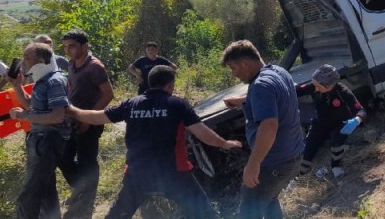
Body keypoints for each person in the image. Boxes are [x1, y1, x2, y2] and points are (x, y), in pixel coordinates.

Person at [66, 65, 242, 218]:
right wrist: (225, 143)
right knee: (205, 215)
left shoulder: (131, 104)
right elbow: (203, 133)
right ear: (170, 84)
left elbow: (97, 117)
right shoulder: (177, 104)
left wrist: (72, 110)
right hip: (175, 174)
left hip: (137, 174)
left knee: (117, 216)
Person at [221, 40, 304, 219]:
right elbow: (276, 97)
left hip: (274, 162)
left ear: (245, 64)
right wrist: (245, 100)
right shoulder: (279, 72)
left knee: (249, 211)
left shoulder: (260, 86)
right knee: (269, 199)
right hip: (292, 155)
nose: (234, 74)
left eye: (233, 68)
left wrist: (253, 164)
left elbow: (269, 126)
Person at [8, 43, 70, 219]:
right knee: (46, 192)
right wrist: (17, 86)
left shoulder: (54, 81)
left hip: (49, 141)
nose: (24, 62)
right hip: (40, 141)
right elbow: (31, 105)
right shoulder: (42, 81)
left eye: (27, 57)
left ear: (41, 60)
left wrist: (24, 116)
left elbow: (58, 116)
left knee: (29, 196)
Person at [60, 29, 114, 219]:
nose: (68, 50)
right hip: (71, 119)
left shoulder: (95, 67)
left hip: (89, 121)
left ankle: (87, 199)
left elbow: (108, 94)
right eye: (66, 46)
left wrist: (89, 119)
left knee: (87, 161)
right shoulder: (72, 64)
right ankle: (81, 189)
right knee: (63, 157)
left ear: (85, 45)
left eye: (72, 46)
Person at [295, 64, 366, 178]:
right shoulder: (314, 86)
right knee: (309, 146)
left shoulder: (342, 91)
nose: (315, 88)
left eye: (318, 86)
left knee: (337, 142)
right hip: (320, 122)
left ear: (328, 85)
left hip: (339, 124)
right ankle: (299, 176)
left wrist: (357, 120)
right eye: (314, 85)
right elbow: (296, 90)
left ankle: (336, 166)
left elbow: (360, 110)